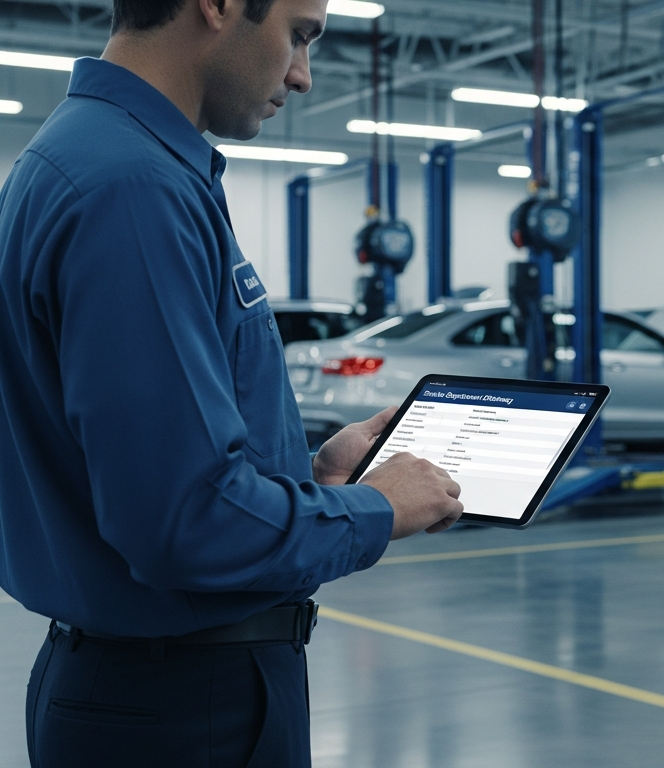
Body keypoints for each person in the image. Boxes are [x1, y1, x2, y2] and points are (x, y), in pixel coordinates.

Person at [0, 0, 464, 764]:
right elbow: (184, 525)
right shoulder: (132, 188)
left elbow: (142, 466)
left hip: (147, 688)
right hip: (182, 708)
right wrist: (373, 510)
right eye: (299, 34)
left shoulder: (90, 158)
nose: (303, 76)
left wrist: (315, 474)